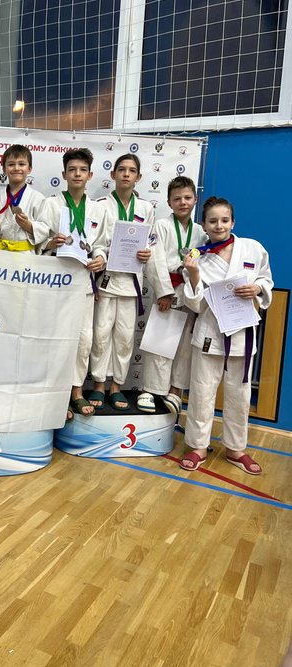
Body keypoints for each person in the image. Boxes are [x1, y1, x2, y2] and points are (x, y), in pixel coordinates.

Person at [180, 196, 272, 473]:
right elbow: (195, 304)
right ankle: (197, 446)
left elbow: (266, 278)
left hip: (242, 332)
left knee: (239, 396)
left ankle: (236, 448)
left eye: (224, 220)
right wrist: (193, 274)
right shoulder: (197, 256)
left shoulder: (252, 248)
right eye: (212, 221)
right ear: (204, 225)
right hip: (210, 332)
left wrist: (258, 288)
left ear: (233, 222)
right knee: (201, 391)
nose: (219, 225)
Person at [89, 153, 172, 411]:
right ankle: (99, 384)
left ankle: (117, 386)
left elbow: (153, 249)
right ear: (112, 174)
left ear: (139, 176)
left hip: (131, 284)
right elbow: (95, 242)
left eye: (132, 170)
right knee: (101, 335)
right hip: (106, 281)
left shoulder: (146, 209)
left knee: (125, 338)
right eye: (122, 169)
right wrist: (100, 256)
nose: (126, 174)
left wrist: (162, 287)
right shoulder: (101, 205)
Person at [38, 148, 108, 416]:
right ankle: (56, 394)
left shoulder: (98, 209)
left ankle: (76, 391)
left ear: (90, 175)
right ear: (64, 174)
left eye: (82, 170)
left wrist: (100, 258)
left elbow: (101, 243)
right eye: (72, 170)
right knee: (56, 338)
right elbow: (38, 240)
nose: (77, 174)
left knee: (83, 339)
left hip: (84, 280)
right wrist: (50, 243)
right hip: (56, 280)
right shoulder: (51, 204)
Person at [137, 176, 207, 415]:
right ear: (169, 202)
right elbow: (155, 260)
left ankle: (175, 390)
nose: (183, 202)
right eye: (177, 199)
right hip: (168, 287)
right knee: (160, 340)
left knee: (185, 343)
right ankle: (150, 390)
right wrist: (164, 293)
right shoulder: (161, 226)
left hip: (189, 290)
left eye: (187, 198)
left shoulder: (201, 232)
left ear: (195, 200)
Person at [0, 144, 48, 253]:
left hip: (26, 255)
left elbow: (45, 230)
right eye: (11, 164)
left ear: (29, 169)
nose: (16, 168)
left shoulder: (38, 198)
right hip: (0, 253)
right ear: (4, 169)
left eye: (21, 164)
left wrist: (29, 225)